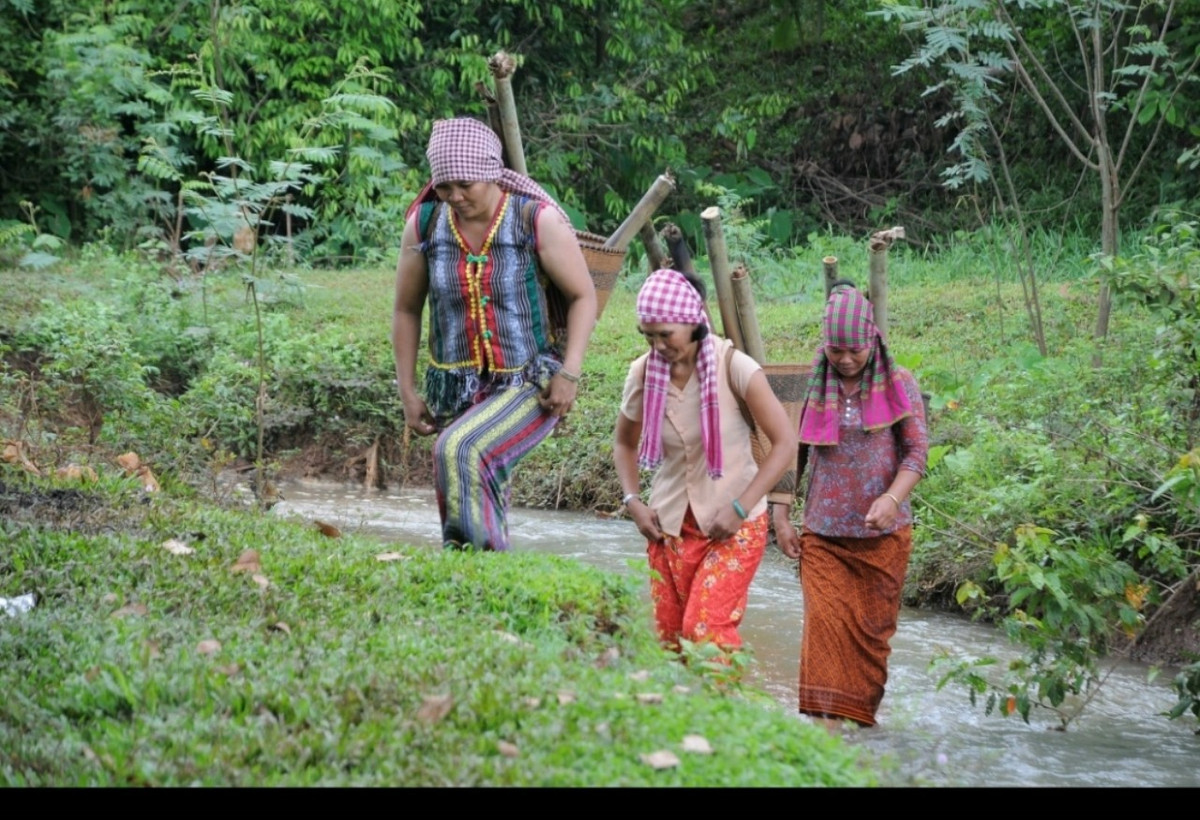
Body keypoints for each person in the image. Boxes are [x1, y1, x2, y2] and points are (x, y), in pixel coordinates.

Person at [392, 117, 597, 552]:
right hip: (456, 386)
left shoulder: (533, 220)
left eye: (465, 184)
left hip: (529, 382)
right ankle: (488, 585)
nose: (456, 197)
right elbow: (406, 309)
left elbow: (583, 297)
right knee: (470, 477)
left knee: (460, 449)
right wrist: (408, 390)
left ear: (492, 173)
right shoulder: (425, 224)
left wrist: (570, 374)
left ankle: (472, 569)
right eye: (445, 187)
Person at [613, 268, 797, 652]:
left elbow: (784, 443)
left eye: (666, 334)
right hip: (669, 527)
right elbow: (625, 443)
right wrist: (633, 502)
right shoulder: (643, 373)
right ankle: (687, 712)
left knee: (706, 632)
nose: (658, 345)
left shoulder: (736, 367)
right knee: (670, 640)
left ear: (693, 324)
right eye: (648, 336)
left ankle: (723, 708)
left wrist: (740, 508)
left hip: (734, 523)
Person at [772, 283, 928, 729]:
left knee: (871, 643)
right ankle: (825, 738)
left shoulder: (900, 385)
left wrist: (892, 497)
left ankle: (860, 735)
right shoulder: (807, 386)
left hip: (883, 539)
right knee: (823, 632)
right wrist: (781, 517)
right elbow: (788, 455)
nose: (844, 359)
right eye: (835, 350)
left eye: (854, 350)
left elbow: (916, 454)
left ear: (872, 341)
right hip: (823, 537)